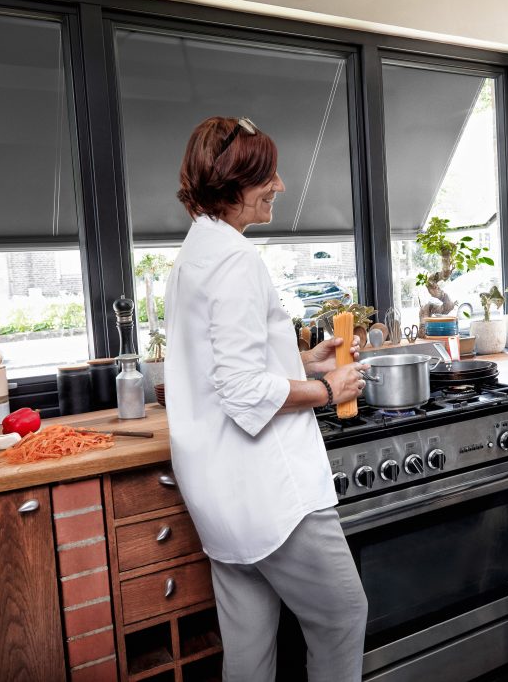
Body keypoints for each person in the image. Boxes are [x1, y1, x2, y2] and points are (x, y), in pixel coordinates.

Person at [163, 115, 369, 681]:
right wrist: (329, 389)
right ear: (232, 186)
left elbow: (219, 367)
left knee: (249, 648)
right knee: (343, 616)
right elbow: (241, 388)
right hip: (270, 495)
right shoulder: (235, 260)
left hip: (218, 498)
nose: (279, 185)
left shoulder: (193, 257)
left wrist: (301, 362)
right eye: (267, 176)